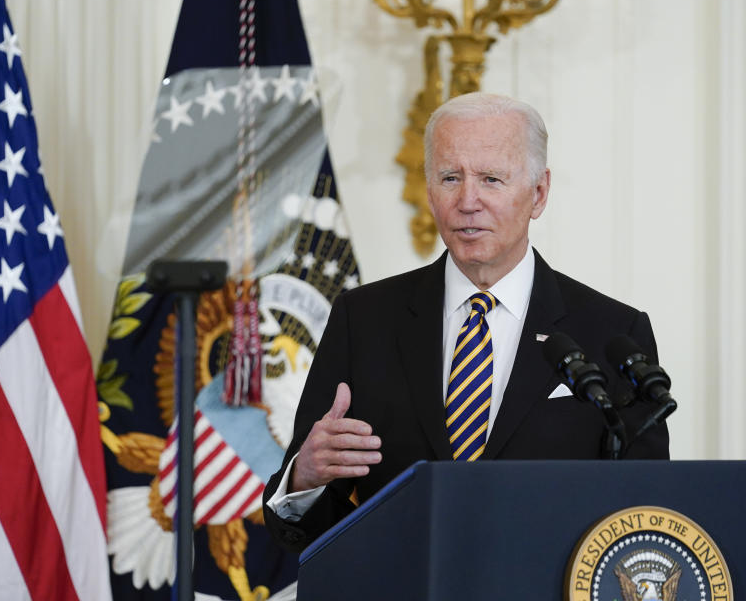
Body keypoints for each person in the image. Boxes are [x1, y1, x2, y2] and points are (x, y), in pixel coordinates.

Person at [262, 93, 668, 552]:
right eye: (450, 178)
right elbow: (311, 532)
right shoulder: (364, 319)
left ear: (539, 193)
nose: (467, 200)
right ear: (429, 190)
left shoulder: (612, 333)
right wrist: (304, 478)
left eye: (491, 179)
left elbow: (644, 518)